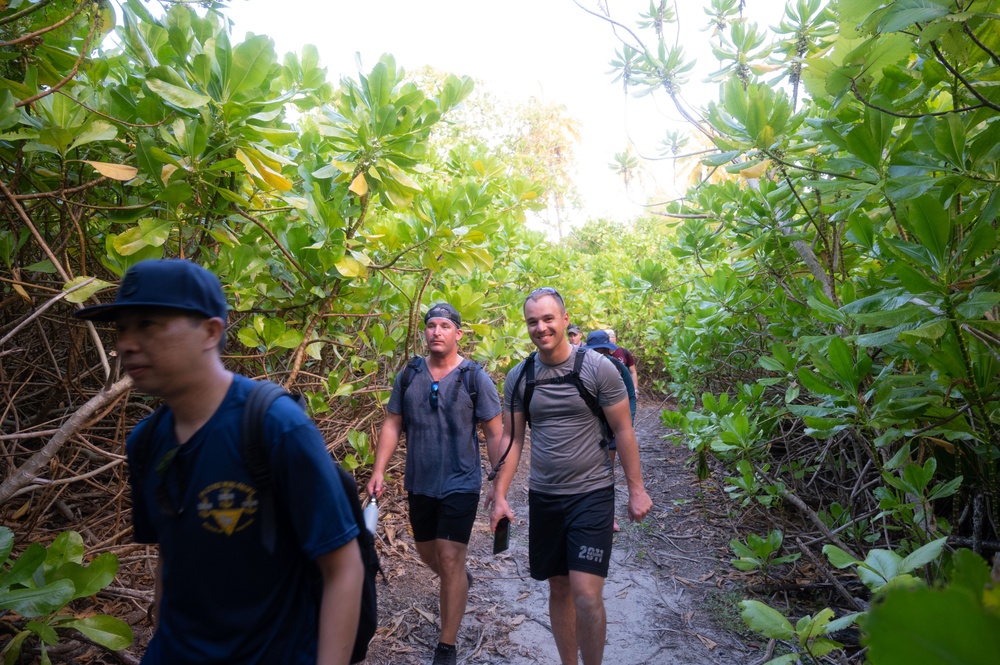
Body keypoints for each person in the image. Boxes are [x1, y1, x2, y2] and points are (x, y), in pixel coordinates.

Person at [74, 259, 364, 665]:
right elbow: (169, 556)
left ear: (211, 332)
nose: (126, 343)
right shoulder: (146, 442)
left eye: (148, 324)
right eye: (122, 328)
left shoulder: (276, 427)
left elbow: (343, 568)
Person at [487, 287, 652, 665]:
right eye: (533, 321)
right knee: (559, 587)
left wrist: (636, 491)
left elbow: (624, 431)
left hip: (592, 494)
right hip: (545, 496)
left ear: (565, 320)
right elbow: (512, 440)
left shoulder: (598, 369)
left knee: (586, 593)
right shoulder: (520, 377)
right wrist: (499, 495)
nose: (541, 327)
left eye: (548, 319)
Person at [367, 303, 503, 665]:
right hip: (420, 480)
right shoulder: (409, 375)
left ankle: (447, 644)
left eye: (445, 326)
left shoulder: (475, 378)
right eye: (431, 325)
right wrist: (378, 469)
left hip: (461, 480)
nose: (436, 331)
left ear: (459, 334)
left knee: (449, 555)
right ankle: (457, 581)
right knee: (428, 552)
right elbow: (393, 423)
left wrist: (498, 482)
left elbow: (494, 432)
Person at [583, 329, 638, 533]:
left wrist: (626, 423)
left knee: (607, 471)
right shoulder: (581, 368)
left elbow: (630, 396)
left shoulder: (616, 366)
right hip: (589, 431)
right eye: (596, 350)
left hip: (611, 429)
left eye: (604, 350)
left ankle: (608, 517)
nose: (600, 354)